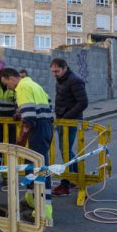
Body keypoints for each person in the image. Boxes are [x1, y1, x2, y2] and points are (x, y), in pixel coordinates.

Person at [3, 68, 53, 222]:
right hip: (45, 126)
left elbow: (30, 119)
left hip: (37, 129)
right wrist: (20, 113)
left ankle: (44, 212)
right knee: (32, 165)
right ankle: (31, 201)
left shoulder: (22, 88)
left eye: (7, 84)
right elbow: (48, 102)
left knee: (39, 169)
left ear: (11, 79)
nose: (8, 88)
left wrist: (20, 141)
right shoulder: (34, 85)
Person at [49, 58, 88, 196]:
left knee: (65, 151)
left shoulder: (74, 80)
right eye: (53, 71)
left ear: (65, 68)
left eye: (57, 71)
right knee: (67, 151)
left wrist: (66, 117)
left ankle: (65, 185)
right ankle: (76, 178)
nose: (54, 74)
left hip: (69, 122)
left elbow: (83, 102)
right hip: (62, 120)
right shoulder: (62, 79)